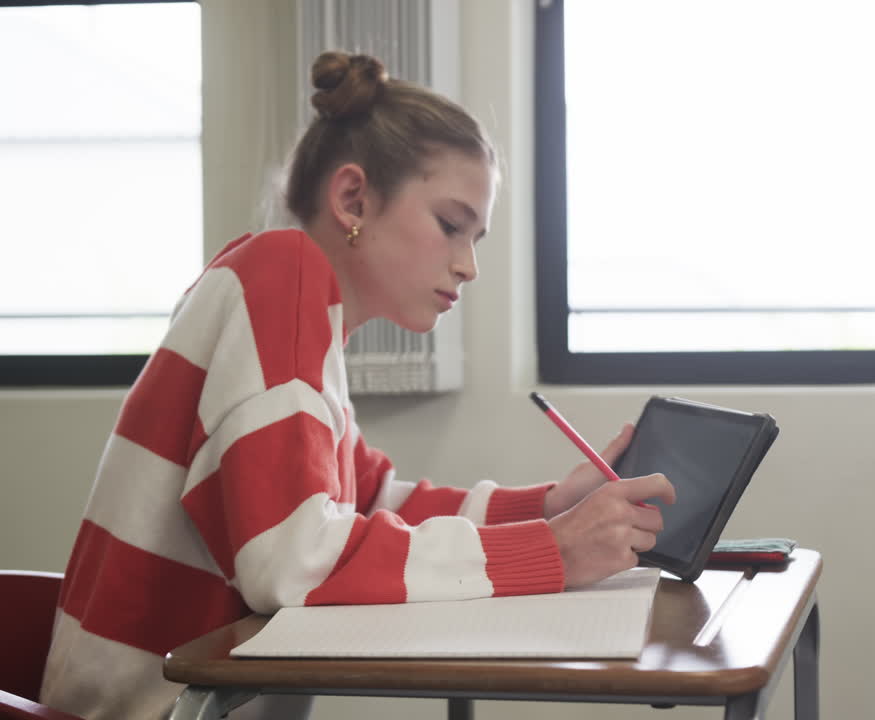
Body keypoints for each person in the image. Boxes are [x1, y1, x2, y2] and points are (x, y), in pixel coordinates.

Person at [40, 51, 675, 720]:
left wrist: (546, 507)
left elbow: (371, 500)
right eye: (452, 225)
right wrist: (553, 551)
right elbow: (292, 558)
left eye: (477, 238)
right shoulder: (278, 276)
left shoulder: (306, 322)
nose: (469, 266)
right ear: (353, 199)